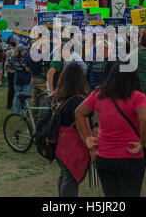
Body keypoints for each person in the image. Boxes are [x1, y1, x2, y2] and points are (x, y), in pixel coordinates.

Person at [75, 61, 146, 197]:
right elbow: (145, 120)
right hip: (130, 155)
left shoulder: (99, 94)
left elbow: (79, 113)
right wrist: (142, 143)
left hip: (105, 156)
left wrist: (87, 138)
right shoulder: (138, 97)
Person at [54, 63, 93, 197]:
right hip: (73, 148)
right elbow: (83, 127)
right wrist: (91, 147)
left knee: (65, 176)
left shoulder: (62, 98)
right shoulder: (78, 101)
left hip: (61, 145)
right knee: (71, 181)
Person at [0, 33, 16, 111]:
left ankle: (9, 105)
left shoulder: (7, 47)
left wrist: (0, 34)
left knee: (11, 89)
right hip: (17, 71)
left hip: (11, 71)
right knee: (17, 89)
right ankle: (16, 106)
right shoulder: (21, 47)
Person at [12, 44, 31, 114]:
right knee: (27, 96)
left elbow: (12, 55)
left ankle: (17, 112)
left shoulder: (14, 58)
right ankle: (26, 112)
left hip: (17, 79)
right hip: (26, 79)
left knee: (17, 96)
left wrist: (16, 48)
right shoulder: (27, 57)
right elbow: (28, 69)